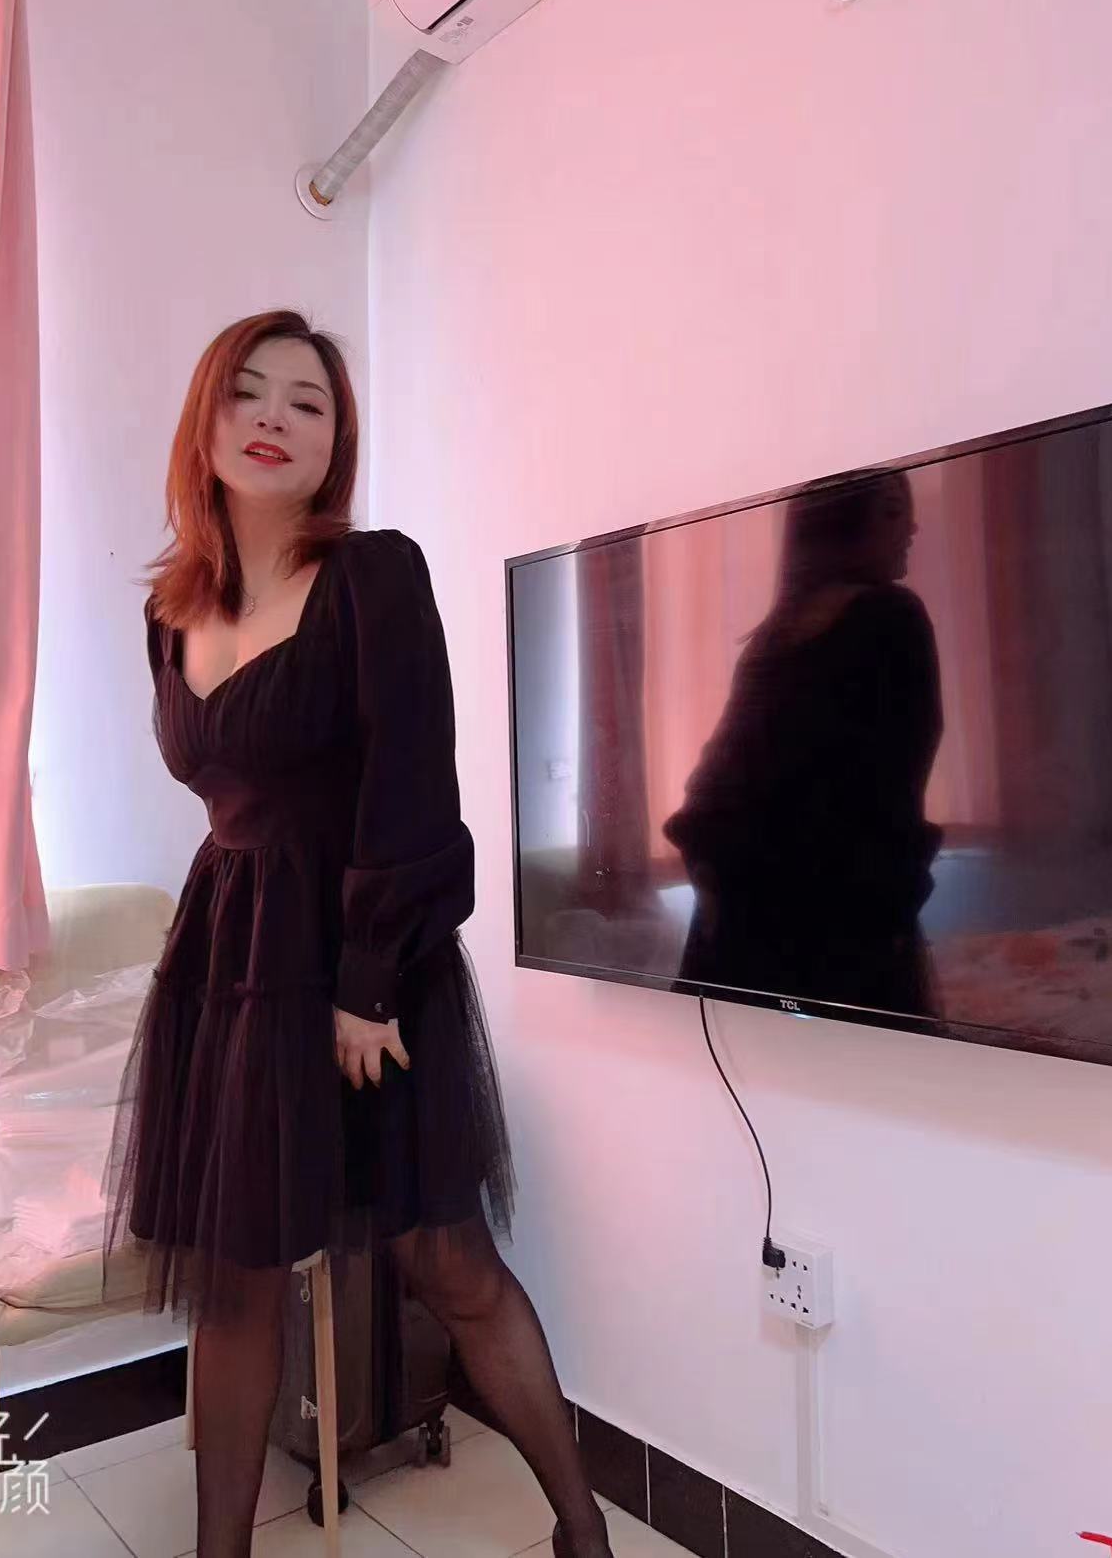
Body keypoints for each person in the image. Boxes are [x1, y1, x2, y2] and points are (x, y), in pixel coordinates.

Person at [100, 311, 612, 1558]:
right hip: (232, 965)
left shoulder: (375, 575)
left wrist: (370, 984)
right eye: (249, 393)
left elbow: (413, 782)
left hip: (362, 966)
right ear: (206, 421)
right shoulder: (170, 610)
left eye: (308, 402)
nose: (275, 418)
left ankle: (582, 1531)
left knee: (447, 1265)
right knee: (235, 1287)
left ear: (338, 440)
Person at [664, 472, 944, 1017]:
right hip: (841, 937)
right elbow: (891, 795)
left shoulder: (770, 644)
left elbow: (713, 789)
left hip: (743, 938)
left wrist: (719, 889)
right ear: (840, 525)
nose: (911, 528)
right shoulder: (891, 620)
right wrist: (889, 922)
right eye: (892, 512)